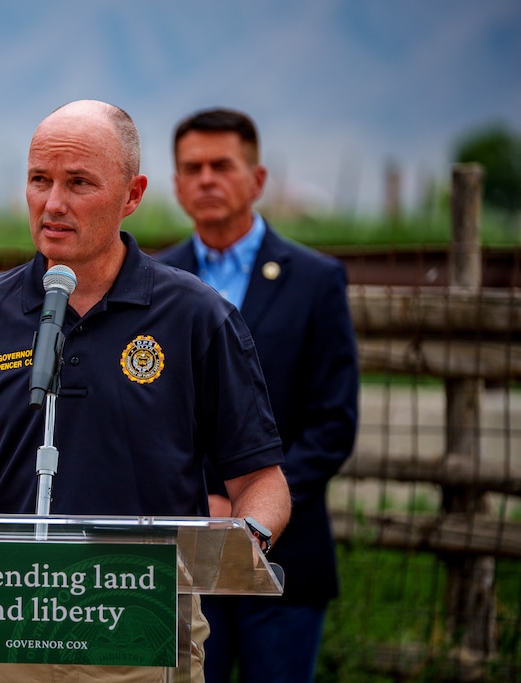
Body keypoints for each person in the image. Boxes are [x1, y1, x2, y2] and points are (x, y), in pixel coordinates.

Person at [0, 99, 292, 683]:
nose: (53, 203)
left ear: (132, 195)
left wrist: (249, 540)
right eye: (39, 180)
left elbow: (260, 481)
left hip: (139, 634)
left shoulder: (195, 316)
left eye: (79, 182)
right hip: (1, 625)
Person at [156, 108, 359, 683]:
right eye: (192, 168)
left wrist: (252, 506)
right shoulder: (150, 282)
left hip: (285, 558)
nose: (206, 179)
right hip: (182, 555)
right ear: (175, 184)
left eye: (222, 165)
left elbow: (333, 423)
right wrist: (201, 504)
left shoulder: (316, 280)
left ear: (258, 179)